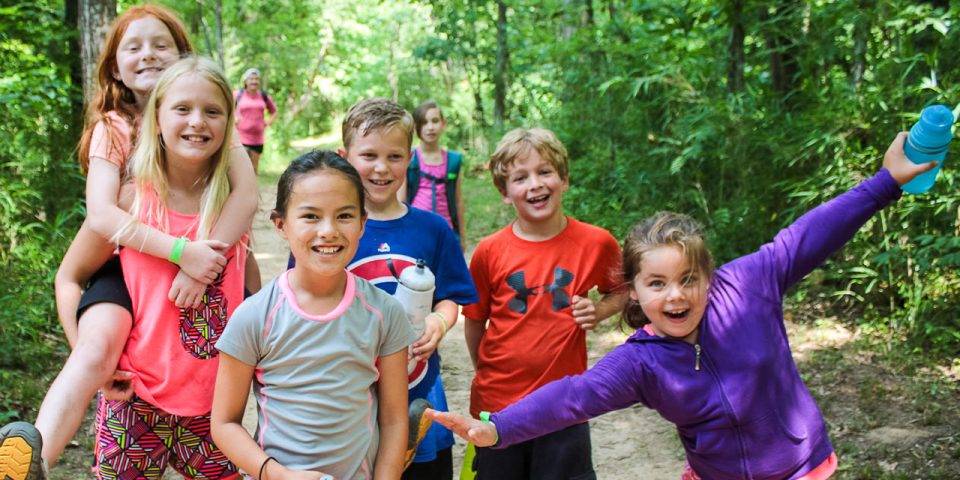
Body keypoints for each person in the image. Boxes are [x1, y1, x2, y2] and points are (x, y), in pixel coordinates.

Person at [429, 133, 937, 480]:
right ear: (635, 291)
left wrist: (885, 183)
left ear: (708, 274)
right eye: (657, 284)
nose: (676, 295)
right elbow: (572, 397)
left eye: (688, 279)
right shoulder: (639, 362)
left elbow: (809, 235)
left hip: (802, 468)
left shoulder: (749, 285)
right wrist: (497, 428)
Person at [0, 6, 256, 480]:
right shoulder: (114, 129)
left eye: (161, 44)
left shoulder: (210, 117)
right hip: (123, 256)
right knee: (96, 351)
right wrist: (183, 254)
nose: (148, 55)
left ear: (183, 56)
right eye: (133, 47)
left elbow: (246, 195)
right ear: (115, 67)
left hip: (197, 259)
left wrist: (206, 259)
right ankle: (32, 459)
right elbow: (100, 219)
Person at [211, 150, 416, 480]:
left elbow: (393, 419)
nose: (329, 231)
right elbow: (223, 423)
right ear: (281, 225)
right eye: (310, 216)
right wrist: (276, 474)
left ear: (363, 223)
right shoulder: (254, 317)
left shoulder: (384, 313)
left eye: (344, 216)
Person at [456, 127, 627, 480]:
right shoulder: (489, 252)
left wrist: (599, 311)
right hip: (499, 406)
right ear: (504, 193)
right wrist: (485, 373)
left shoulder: (596, 243)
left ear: (563, 180)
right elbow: (474, 321)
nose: (535, 184)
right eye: (520, 177)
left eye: (545, 172)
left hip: (565, 404)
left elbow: (626, 289)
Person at [340, 98, 479, 479]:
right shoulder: (329, 227)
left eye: (395, 156)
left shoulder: (433, 229)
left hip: (419, 388)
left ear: (410, 159)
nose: (382, 168)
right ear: (344, 155)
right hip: (348, 397)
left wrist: (439, 318)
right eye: (368, 155)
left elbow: (451, 296)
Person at [401, 100, 467, 251]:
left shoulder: (453, 161)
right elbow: (401, 200)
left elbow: (458, 201)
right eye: (424, 122)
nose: (430, 127)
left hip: (446, 231)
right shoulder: (408, 158)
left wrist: (462, 237)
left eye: (435, 121)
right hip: (416, 232)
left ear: (443, 124)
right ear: (416, 128)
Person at [234, 68, 278, 173]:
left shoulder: (263, 96)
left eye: (256, 79)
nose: (254, 81)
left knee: (254, 168)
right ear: (246, 81)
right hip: (241, 137)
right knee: (242, 168)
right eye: (251, 79)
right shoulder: (237, 95)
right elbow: (226, 109)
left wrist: (268, 122)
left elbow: (274, 111)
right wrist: (233, 119)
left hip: (257, 138)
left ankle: (252, 189)